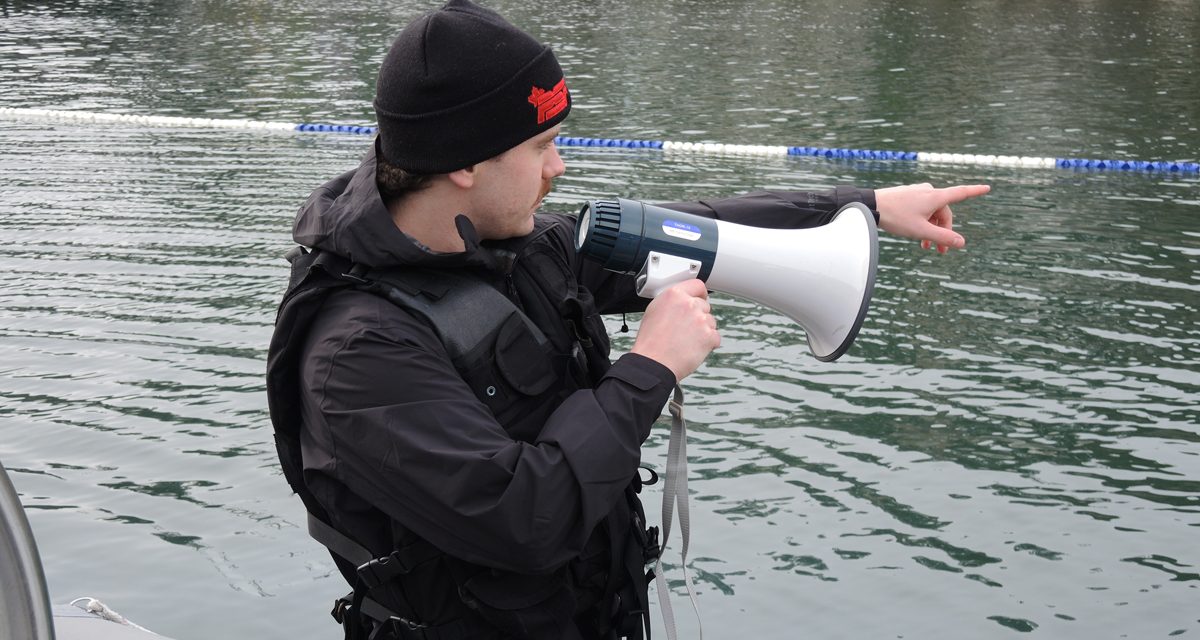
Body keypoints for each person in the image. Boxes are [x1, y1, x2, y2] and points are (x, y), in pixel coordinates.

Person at [265, 1, 990, 638]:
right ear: (464, 163)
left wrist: (858, 205)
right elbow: (522, 520)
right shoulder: (357, 352)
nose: (559, 168)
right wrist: (649, 369)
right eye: (542, 146)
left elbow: (698, 229)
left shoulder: (510, 242)